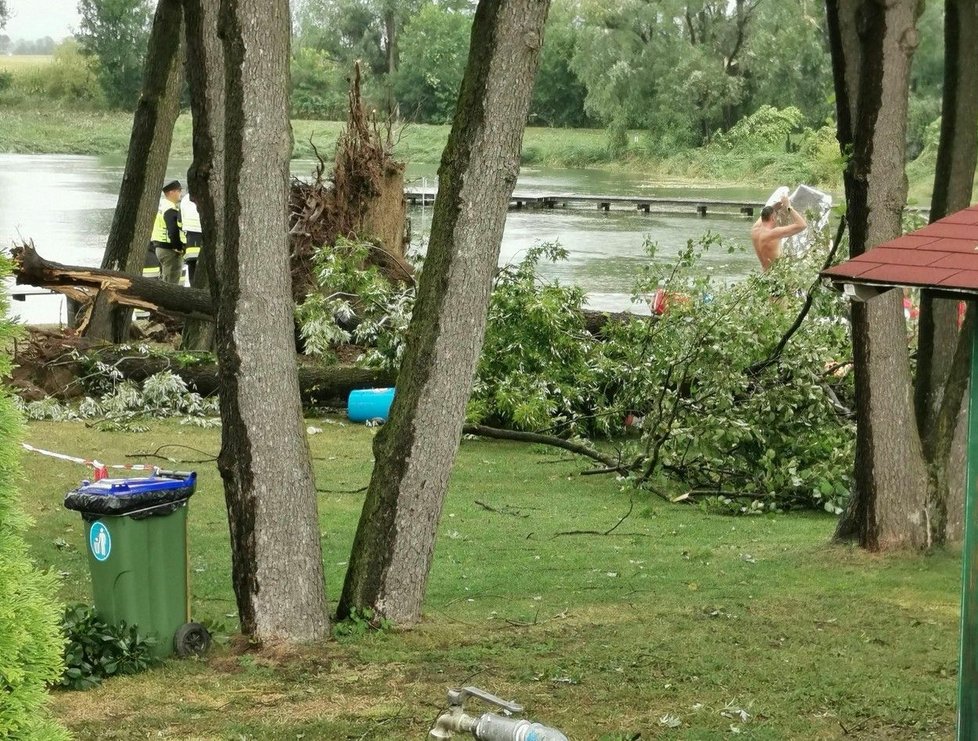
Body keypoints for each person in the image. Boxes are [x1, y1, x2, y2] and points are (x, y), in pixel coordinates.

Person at [750, 194, 807, 271]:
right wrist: (788, 206)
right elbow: (802, 225)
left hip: (763, 274)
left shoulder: (754, 229)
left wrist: (773, 207)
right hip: (775, 274)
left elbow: (765, 214)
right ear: (773, 218)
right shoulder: (774, 233)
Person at [151, 180, 184, 284]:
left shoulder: (161, 205)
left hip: (159, 247)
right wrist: (178, 247)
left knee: (165, 279)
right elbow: (173, 230)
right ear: (171, 192)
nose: (180, 194)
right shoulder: (170, 208)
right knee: (171, 282)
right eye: (179, 191)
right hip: (169, 249)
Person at [180, 192, 203, 283]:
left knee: (192, 266)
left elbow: (179, 220)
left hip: (190, 240)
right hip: (202, 236)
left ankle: (192, 286)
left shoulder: (185, 199)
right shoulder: (208, 194)